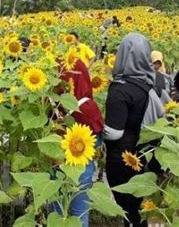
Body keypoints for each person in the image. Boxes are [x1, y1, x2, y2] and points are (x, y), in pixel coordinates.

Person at [103, 33, 164, 227]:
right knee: (138, 210)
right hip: (145, 156)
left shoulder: (120, 89)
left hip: (123, 159)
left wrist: (95, 128)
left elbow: (114, 132)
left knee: (127, 212)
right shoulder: (151, 82)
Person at [57, 58, 104, 227]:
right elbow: (97, 141)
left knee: (56, 212)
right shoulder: (88, 107)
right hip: (81, 168)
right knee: (79, 213)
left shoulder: (51, 104)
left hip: (56, 169)